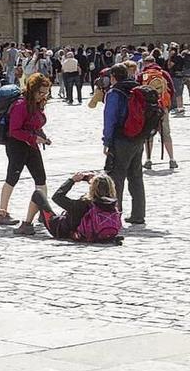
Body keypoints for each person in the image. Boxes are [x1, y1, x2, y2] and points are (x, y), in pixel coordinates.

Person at [0, 73, 53, 235]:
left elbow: (35, 123)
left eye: (46, 92)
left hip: (31, 144)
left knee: (41, 178)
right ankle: (2, 213)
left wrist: (42, 136)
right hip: (17, 145)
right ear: (32, 90)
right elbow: (14, 130)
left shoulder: (36, 103)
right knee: (12, 177)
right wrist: (34, 137)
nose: (43, 96)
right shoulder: (21, 105)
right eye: (41, 92)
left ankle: (44, 212)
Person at [103, 63, 145, 225]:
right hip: (138, 138)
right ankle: (138, 214)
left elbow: (110, 119)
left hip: (121, 139)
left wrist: (106, 141)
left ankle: (115, 215)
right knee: (136, 176)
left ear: (113, 77)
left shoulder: (115, 92)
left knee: (116, 177)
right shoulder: (136, 88)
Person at [26, 172, 120, 241]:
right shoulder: (111, 204)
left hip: (59, 230)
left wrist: (71, 181)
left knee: (38, 194)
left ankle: (26, 225)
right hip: (85, 233)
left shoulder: (83, 203)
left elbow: (57, 197)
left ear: (93, 188)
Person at [140, 56, 178, 170]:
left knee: (148, 134)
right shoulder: (163, 73)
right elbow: (172, 89)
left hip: (148, 109)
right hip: (162, 107)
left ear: (145, 63)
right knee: (166, 134)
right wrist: (167, 105)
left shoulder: (143, 74)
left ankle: (148, 160)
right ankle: (172, 159)